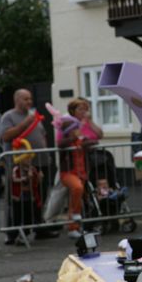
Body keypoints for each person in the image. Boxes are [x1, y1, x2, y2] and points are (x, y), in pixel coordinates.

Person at [0, 89, 58, 241]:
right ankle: (12, 232)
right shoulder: (9, 116)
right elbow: (6, 136)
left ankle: (39, 228)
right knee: (17, 199)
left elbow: (43, 135)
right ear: (16, 100)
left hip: (39, 163)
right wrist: (25, 123)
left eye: (30, 99)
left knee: (39, 196)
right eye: (25, 99)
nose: (29, 102)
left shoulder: (34, 117)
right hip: (18, 165)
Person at [59, 99, 99, 239]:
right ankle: (71, 223)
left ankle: (74, 227)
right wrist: (72, 138)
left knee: (79, 198)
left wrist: (90, 142)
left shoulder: (82, 125)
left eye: (85, 109)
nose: (84, 112)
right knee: (77, 189)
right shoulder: (67, 123)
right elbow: (60, 143)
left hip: (81, 169)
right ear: (73, 111)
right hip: (68, 171)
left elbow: (93, 137)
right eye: (80, 109)